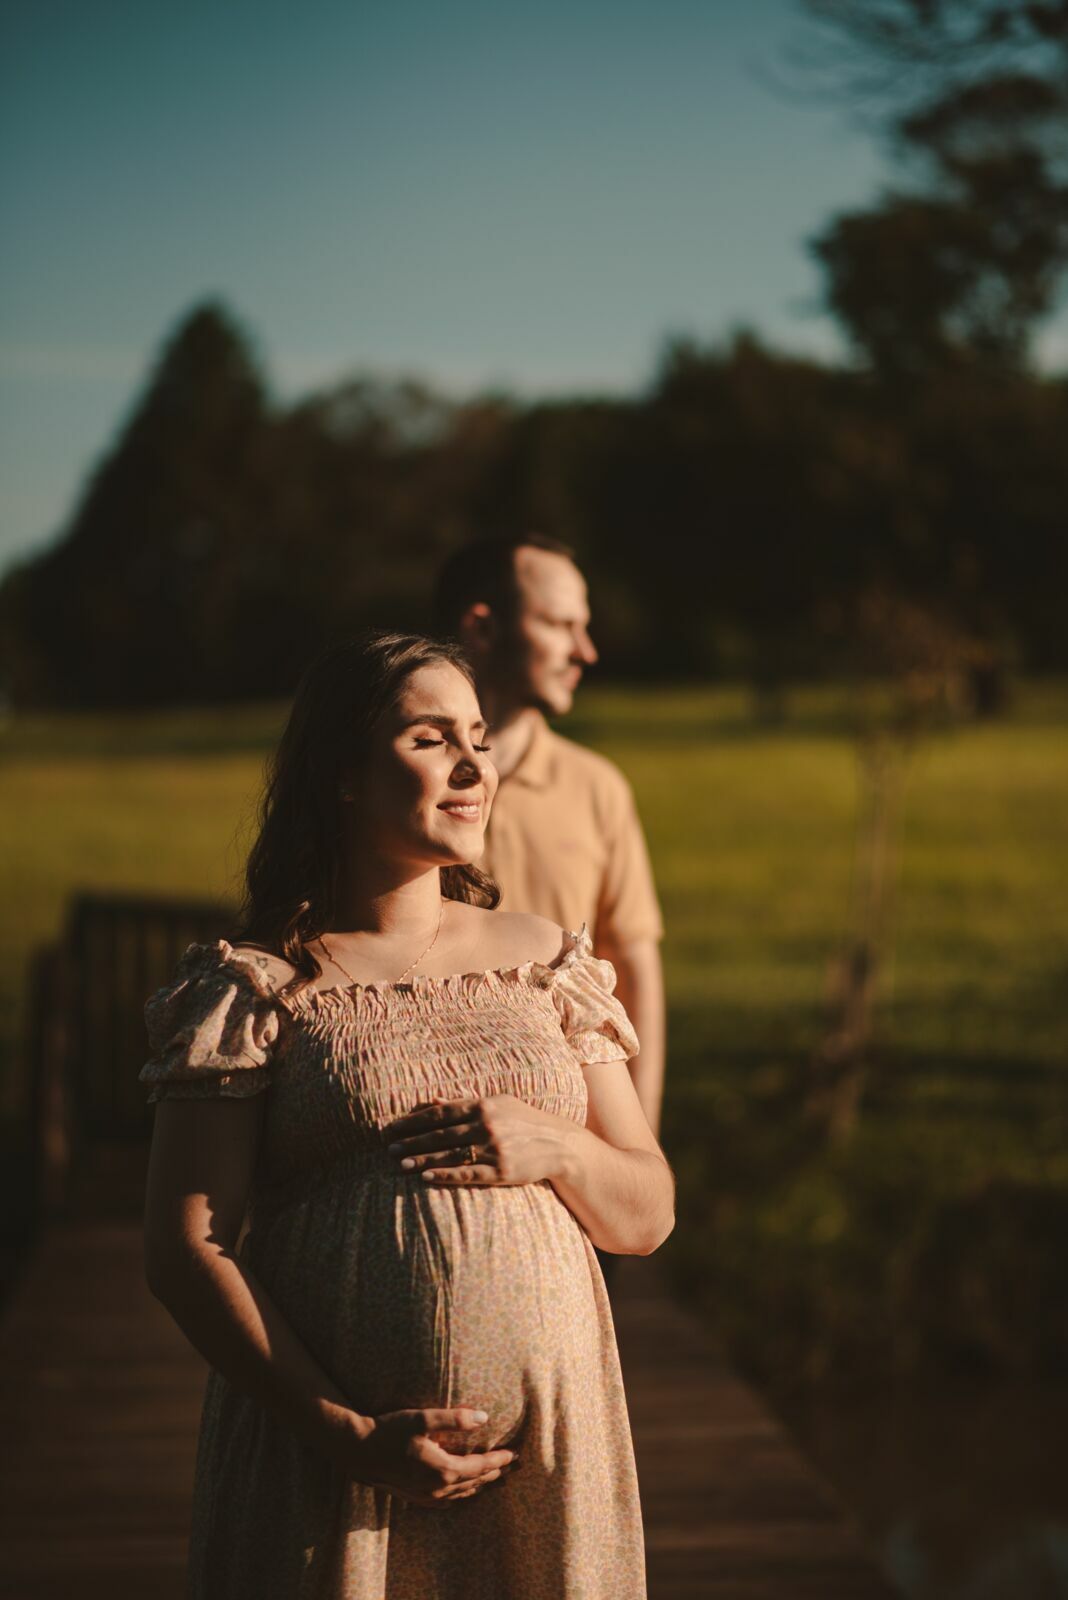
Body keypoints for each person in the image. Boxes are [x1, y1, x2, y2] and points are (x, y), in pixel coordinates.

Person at [140, 630, 674, 1599]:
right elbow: (185, 1248)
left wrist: (555, 1145)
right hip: (335, 1474)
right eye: (432, 739)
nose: (476, 765)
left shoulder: (549, 962)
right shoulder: (259, 984)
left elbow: (646, 1213)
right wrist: (344, 1435)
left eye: (478, 735)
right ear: (343, 771)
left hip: (551, 1461)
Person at [433, 535, 666, 1138]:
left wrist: (636, 1158)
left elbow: (634, 971)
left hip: (571, 1147)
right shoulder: (398, 791)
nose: (585, 651)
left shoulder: (597, 789)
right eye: (561, 624)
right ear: (482, 628)